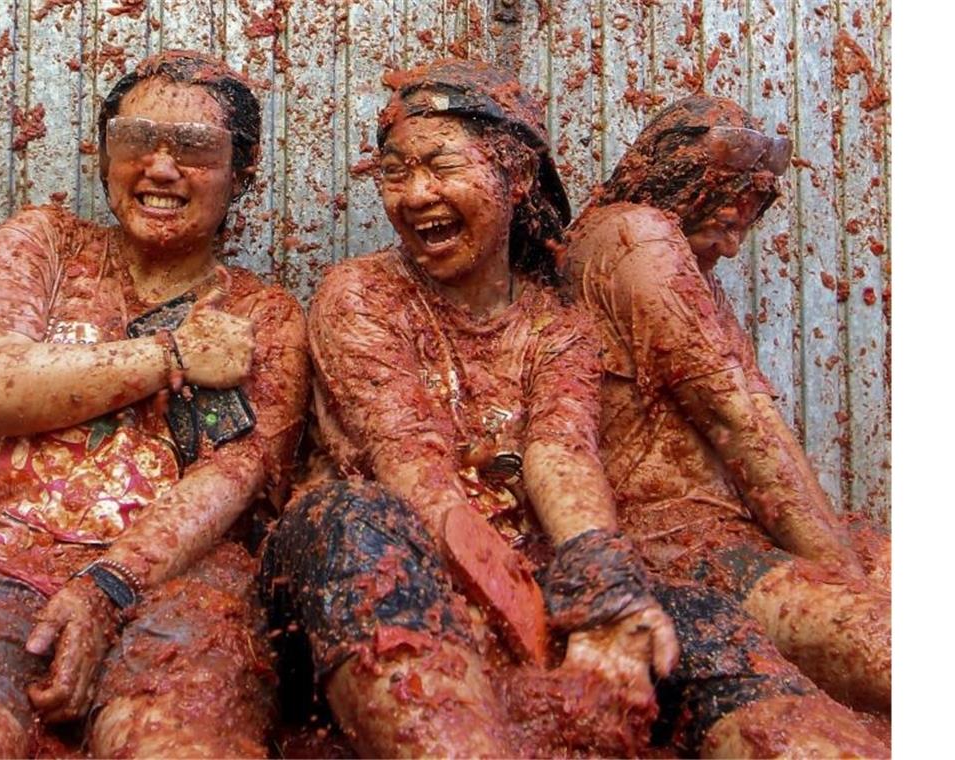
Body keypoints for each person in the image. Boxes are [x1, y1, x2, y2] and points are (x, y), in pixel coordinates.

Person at [260, 60, 885, 758]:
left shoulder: (557, 327)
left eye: (440, 166)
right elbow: (413, 468)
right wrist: (546, 637)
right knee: (350, 517)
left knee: (701, 621)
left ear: (518, 176)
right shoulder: (360, 294)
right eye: (394, 172)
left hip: (525, 574)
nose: (414, 194)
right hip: (390, 572)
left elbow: (562, 454)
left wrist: (606, 589)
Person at [0, 50, 309, 758]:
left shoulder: (264, 315)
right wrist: (168, 357)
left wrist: (108, 584)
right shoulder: (44, 244)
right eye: (137, 142)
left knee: (174, 741)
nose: (161, 169)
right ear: (106, 158)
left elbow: (239, 475)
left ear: (243, 175)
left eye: (195, 151)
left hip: (177, 587)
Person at [557, 95, 891, 722]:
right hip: (684, 547)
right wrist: (843, 577)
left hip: (730, 535)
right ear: (678, 181)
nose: (735, 246)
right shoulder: (639, 235)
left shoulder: (671, 252)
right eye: (725, 208)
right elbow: (737, 419)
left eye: (752, 212)